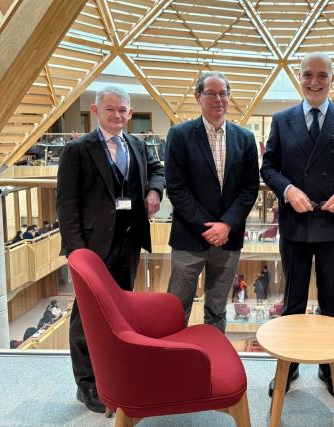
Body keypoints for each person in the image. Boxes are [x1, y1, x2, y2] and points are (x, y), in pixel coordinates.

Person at [260, 52, 334, 399]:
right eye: (308, 74)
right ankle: (288, 367)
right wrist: (288, 190)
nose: (314, 81)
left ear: (332, 78)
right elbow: (269, 167)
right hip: (295, 224)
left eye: (322, 75)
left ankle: (330, 369)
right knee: (292, 302)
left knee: (333, 303)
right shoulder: (282, 120)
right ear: (299, 77)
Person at [56, 85, 164, 413]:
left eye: (122, 110)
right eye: (110, 109)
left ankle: (116, 374)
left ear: (130, 113)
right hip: (92, 248)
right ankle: (87, 384)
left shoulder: (137, 144)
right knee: (86, 317)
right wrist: (77, 253)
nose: (117, 115)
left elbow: (157, 170)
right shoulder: (78, 150)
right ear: (96, 111)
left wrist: (154, 191)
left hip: (129, 242)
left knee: (120, 311)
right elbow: (66, 204)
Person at [165, 71, 259, 333]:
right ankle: (173, 355)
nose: (218, 99)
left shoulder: (245, 138)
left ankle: (213, 355)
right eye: (211, 93)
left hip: (228, 239)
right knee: (177, 307)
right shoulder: (180, 135)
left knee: (217, 309)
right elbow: (177, 189)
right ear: (198, 96)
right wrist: (208, 227)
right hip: (189, 238)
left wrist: (226, 225)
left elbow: (249, 189)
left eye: (223, 93)